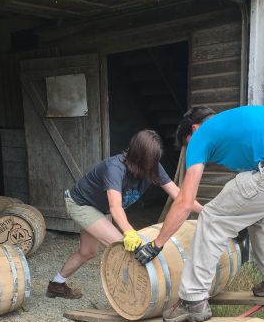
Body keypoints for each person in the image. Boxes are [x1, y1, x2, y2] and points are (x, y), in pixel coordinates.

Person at [134, 106, 264, 322]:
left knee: (212, 217)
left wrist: (158, 243)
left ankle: (192, 300)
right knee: (261, 215)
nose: (196, 152)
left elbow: (184, 201)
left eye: (187, 143)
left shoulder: (201, 134)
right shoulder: (235, 126)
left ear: (193, 129)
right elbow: (251, 197)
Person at [47, 128, 202, 299]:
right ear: (137, 157)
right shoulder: (115, 168)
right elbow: (115, 207)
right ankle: (135, 297)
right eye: (148, 163)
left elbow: (180, 196)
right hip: (81, 204)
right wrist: (129, 232)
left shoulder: (153, 167)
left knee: (87, 252)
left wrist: (205, 212)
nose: (151, 168)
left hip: (98, 207)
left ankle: (56, 284)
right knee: (124, 247)